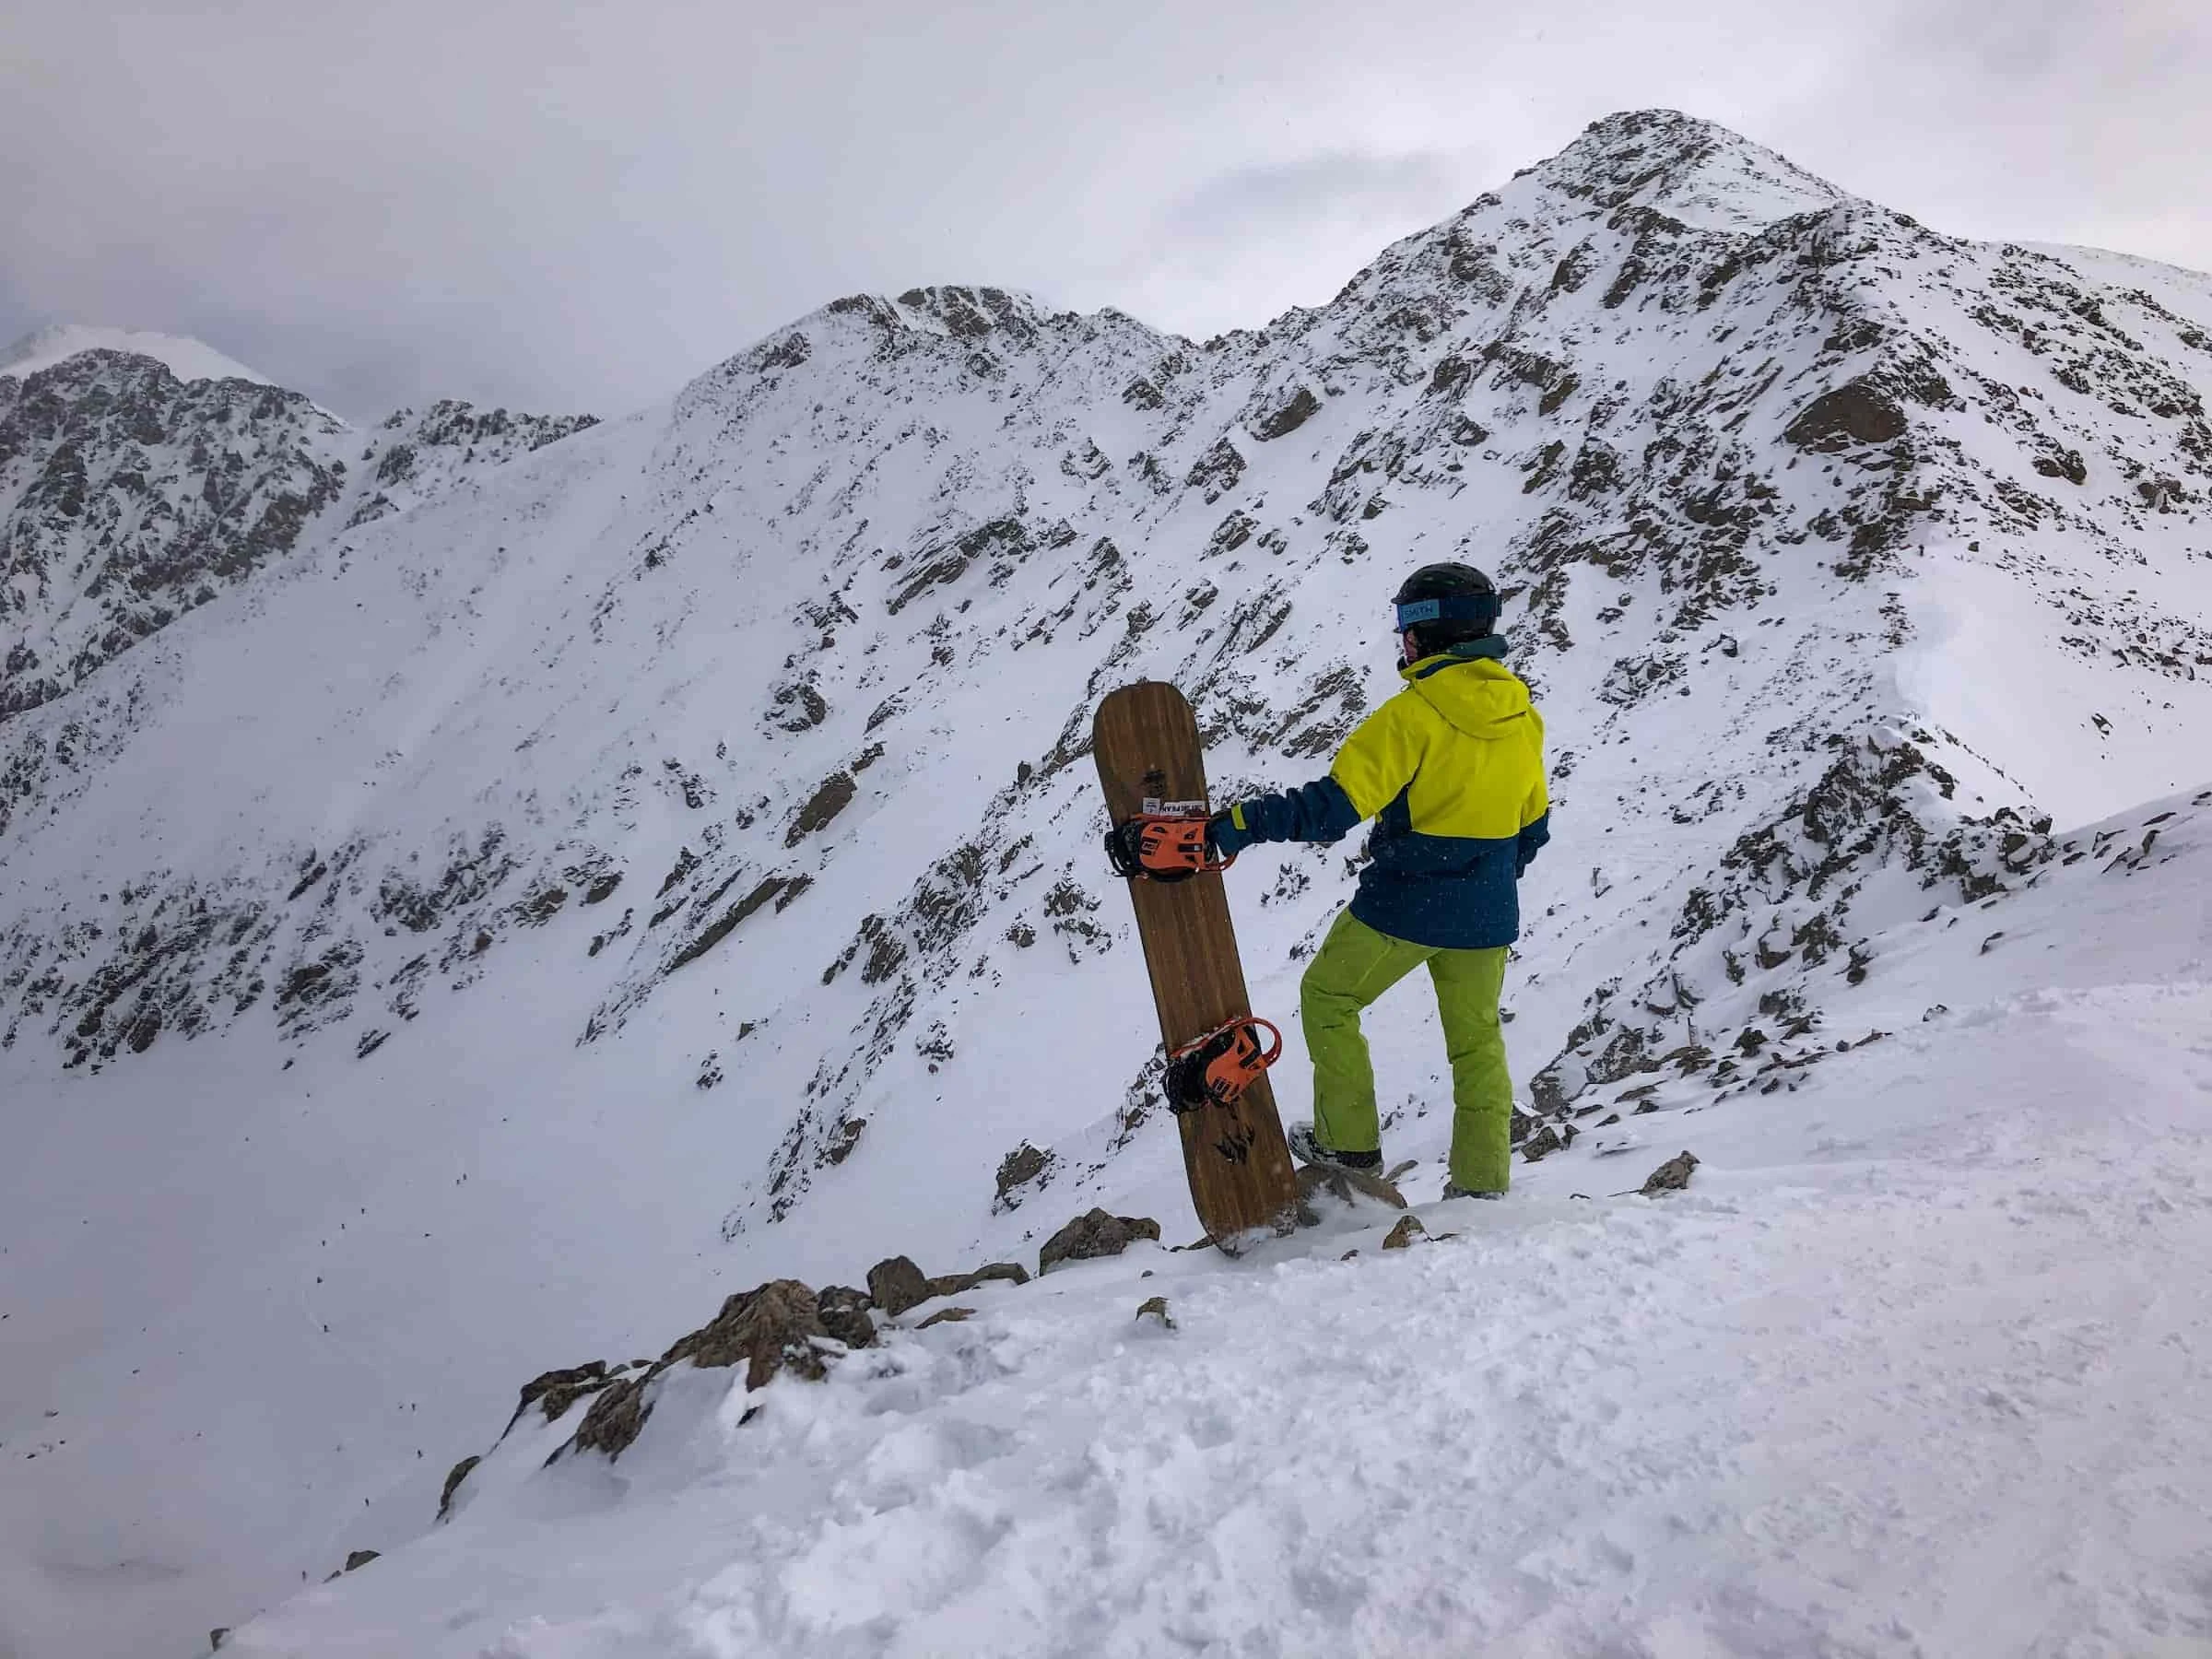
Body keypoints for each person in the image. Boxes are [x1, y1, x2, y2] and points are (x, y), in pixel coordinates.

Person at [1208, 562, 1549, 1200]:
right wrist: (1483, 879)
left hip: (1406, 901)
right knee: (1476, 1044)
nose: (1400, 638)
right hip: (1488, 910)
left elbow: (1331, 810)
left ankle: (1349, 1147)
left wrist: (1236, 824)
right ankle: (1482, 1184)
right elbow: (1532, 829)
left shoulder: (1411, 716)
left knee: (1329, 997)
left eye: (1404, 624)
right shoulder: (1522, 717)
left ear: (1423, 631)